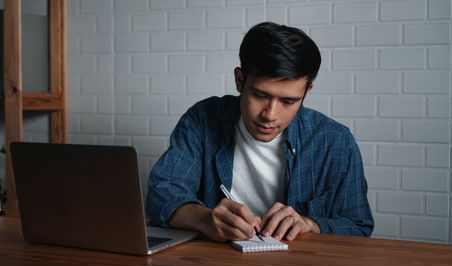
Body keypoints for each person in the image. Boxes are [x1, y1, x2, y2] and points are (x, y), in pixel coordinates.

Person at [146, 22, 374, 242]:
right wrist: (204, 218)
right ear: (239, 80)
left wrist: (310, 224)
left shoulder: (335, 141)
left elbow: (358, 226)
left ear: (307, 91)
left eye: (288, 101)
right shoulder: (202, 120)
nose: (270, 115)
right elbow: (161, 194)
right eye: (260, 96)